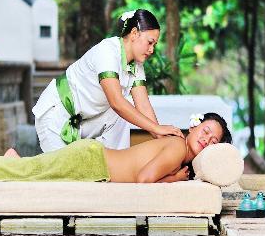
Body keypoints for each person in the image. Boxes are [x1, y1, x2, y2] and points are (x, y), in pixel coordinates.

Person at [32, 9, 183, 152]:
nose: (152, 50)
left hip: (83, 122)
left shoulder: (136, 65)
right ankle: (15, 160)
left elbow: (143, 105)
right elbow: (116, 102)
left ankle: (115, 165)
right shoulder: (107, 51)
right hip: (56, 114)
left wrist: (164, 141)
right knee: (59, 174)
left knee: (121, 116)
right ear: (134, 33)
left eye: (154, 45)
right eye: (150, 42)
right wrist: (156, 128)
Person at [0, 113, 232, 183]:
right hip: (91, 161)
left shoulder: (179, 151)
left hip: (93, 161)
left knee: (31, 171)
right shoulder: (177, 147)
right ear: (193, 128)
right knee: (28, 175)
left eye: (213, 141)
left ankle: (13, 160)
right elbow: (144, 179)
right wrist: (174, 178)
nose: (206, 140)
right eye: (206, 131)